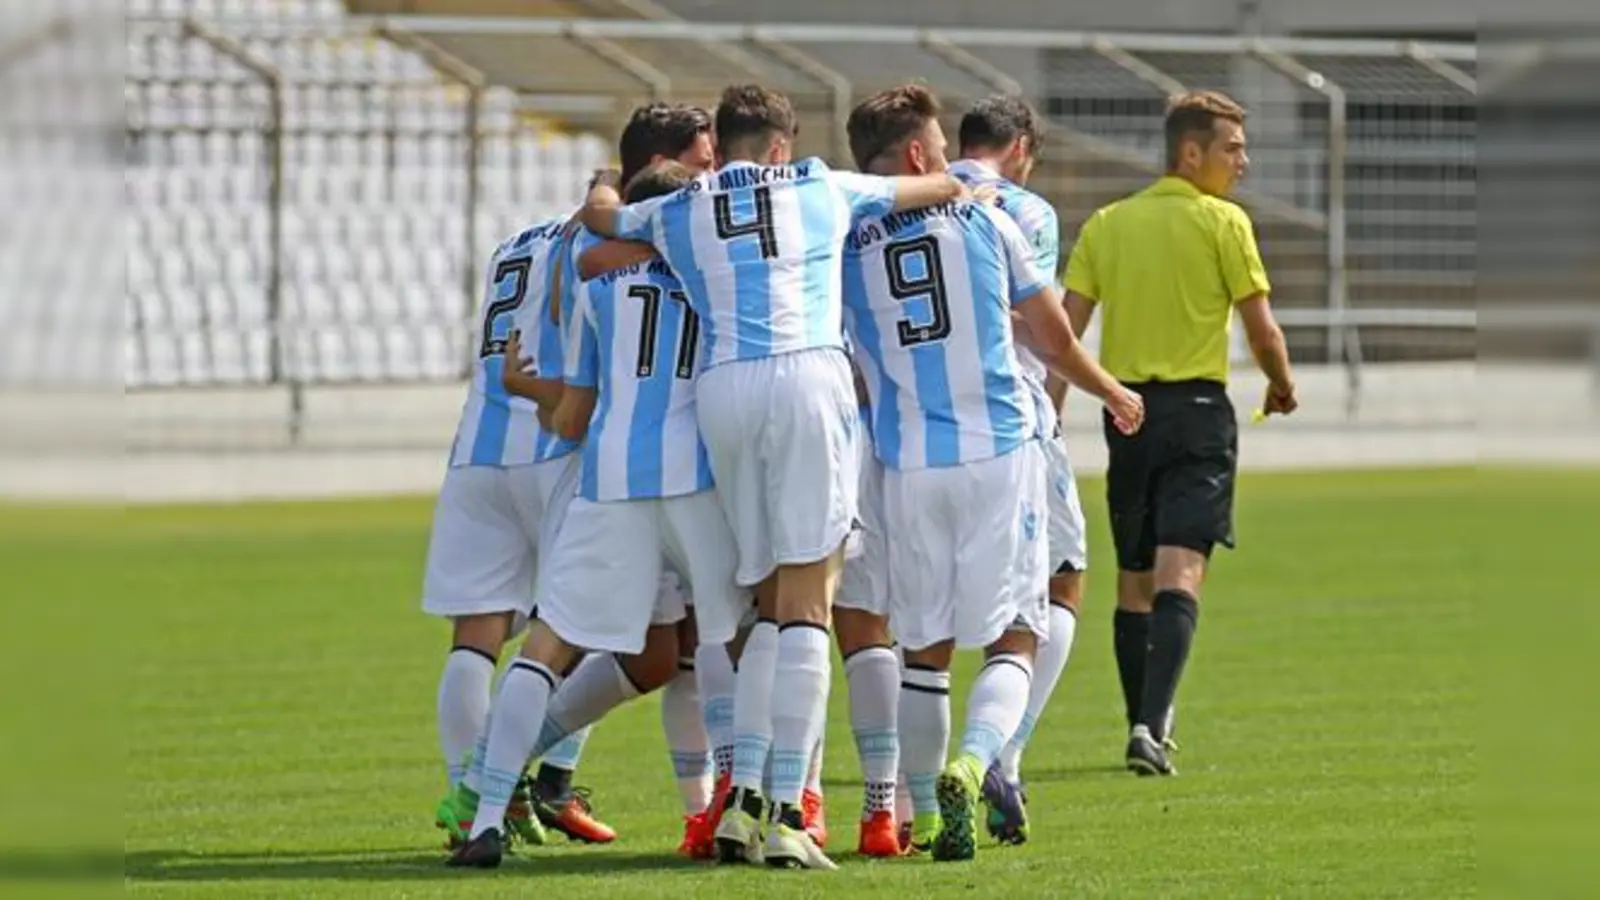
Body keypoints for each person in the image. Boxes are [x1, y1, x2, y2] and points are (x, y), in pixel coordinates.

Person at [577, 84, 972, 870]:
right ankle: (791, 809)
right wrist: (956, 177)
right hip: (804, 378)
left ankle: (742, 799)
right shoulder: (823, 185)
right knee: (808, 600)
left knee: (760, 604)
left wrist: (601, 175)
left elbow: (598, 222)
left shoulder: (680, 205)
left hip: (723, 391)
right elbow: (940, 184)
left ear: (721, 147)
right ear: (783, 145)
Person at [839, 84, 1145, 862]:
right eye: (938, 148)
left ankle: (926, 817)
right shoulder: (989, 219)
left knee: (927, 649)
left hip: (905, 461)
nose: (947, 159)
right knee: (1017, 633)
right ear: (917, 155)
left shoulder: (842, 242)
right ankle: (977, 767)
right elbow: (1051, 337)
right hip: (999, 449)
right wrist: (1111, 390)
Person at [430, 102, 720, 853]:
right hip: (583, 460)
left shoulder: (520, 243)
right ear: (668, 164)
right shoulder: (636, 250)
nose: (712, 170)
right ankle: (725, 804)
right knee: (688, 643)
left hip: (482, 448)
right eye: (703, 157)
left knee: (488, 640)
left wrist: (524, 389)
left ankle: (484, 794)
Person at [1061, 90, 1297, 777]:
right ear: (1189, 152)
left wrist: (1048, 406)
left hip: (1125, 416)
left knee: (1134, 584)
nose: (1243, 163)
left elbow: (1066, 332)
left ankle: (1141, 724)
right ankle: (1151, 726)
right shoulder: (1225, 223)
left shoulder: (1108, 224)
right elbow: (1262, 330)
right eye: (1233, 148)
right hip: (1197, 414)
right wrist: (1281, 385)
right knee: (1181, 575)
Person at [948, 94, 1087, 845]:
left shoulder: (905, 202)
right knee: (1058, 580)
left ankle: (893, 803)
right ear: (1022, 146)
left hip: (910, 431)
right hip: (1012, 419)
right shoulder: (1022, 210)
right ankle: (1003, 752)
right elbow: (1041, 327)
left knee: (917, 624)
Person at [419, 212, 579, 851]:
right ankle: (527, 782)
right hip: (553, 448)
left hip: (478, 451)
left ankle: (469, 795)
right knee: (581, 627)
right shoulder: (597, 236)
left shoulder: (513, 243)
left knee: (472, 644)